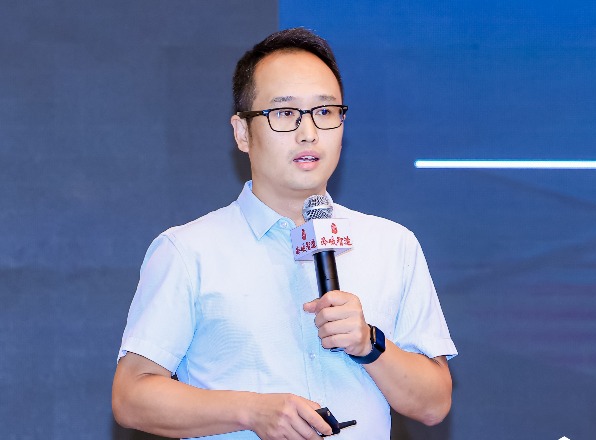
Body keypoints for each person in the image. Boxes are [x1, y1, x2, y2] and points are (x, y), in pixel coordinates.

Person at [112, 27, 457, 440]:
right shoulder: (188, 251)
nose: (308, 132)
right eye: (285, 113)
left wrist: (369, 343)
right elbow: (131, 396)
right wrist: (252, 411)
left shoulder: (392, 245)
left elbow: (434, 404)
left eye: (324, 112)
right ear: (242, 132)